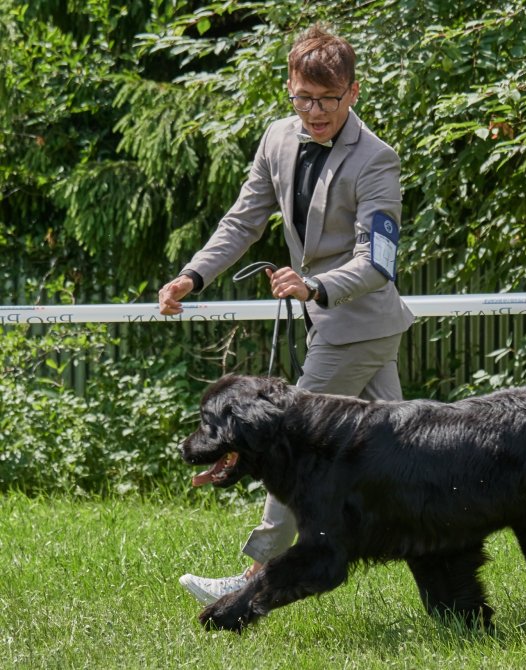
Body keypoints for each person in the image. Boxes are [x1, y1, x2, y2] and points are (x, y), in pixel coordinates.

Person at [158, 24, 414, 604]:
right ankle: (449, 549)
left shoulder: (378, 160)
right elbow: (243, 221)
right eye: (304, 97)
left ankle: (250, 581)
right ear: (290, 89)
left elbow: (378, 263)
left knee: (289, 440)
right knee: (407, 459)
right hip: (345, 324)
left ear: (353, 92)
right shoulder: (277, 138)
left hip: (357, 324)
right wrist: (193, 275)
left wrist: (314, 285)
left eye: (328, 99)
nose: (315, 111)